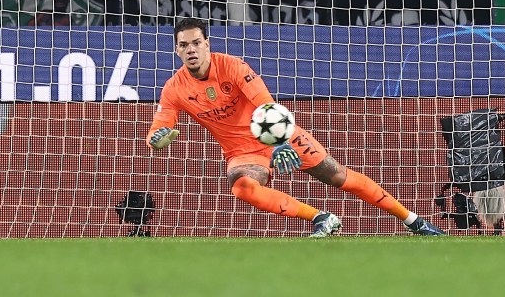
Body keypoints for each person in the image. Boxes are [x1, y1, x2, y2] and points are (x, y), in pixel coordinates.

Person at [147, 17, 446, 237]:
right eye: (184, 45)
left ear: (207, 44)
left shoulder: (233, 66)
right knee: (242, 187)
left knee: (338, 176)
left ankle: (413, 221)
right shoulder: (174, 88)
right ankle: (321, 218)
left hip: (278, 132)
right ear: (176, 50)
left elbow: (267, 106)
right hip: (241, 152)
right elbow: (158, 129)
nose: (191, 50)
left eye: (196, 42)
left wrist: (279, 143)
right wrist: (156, 139)